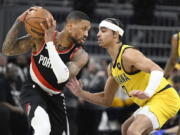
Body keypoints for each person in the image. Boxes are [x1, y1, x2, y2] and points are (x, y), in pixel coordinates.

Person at [66, 18, 180, 135]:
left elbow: (157, 70)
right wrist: (81, 93)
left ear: (115, 34)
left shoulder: (128, 54)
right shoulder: (112, 68)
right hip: (150, 101)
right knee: (126, 128)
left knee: (133, 130)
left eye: (104, 31)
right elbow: (106, 99)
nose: (99, 34)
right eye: (99, 31)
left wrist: (148, 92)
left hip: (164, 97)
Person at [2, 6, 91, 135]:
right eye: (84, 29)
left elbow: (62, 77)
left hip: (56, 97)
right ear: (70, 26)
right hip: (33, 90)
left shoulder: (80, 55)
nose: (87, 34)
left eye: (88, 30)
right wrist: (18, 22)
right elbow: (7, 50)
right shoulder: (39, 37)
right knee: (43, 128)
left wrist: (50, 44)